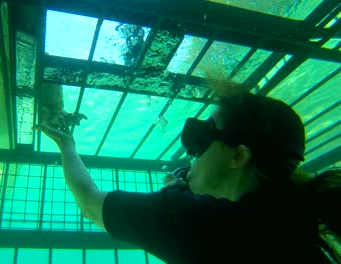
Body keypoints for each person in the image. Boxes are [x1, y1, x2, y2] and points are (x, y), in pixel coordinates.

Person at [35, 83, 340, 263]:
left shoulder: (209, 225)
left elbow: (90, 204)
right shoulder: (293, 223)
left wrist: (67, 146)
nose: (191, 154)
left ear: (238, 155)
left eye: (203, 137)